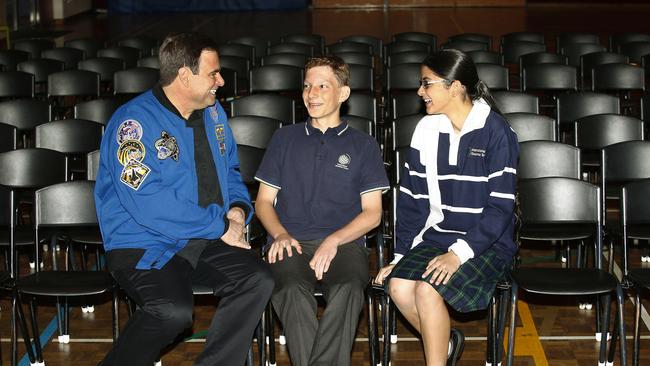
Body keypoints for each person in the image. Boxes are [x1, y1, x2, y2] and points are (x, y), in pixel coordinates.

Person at [94, 32, 274, 366]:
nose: (220, 80)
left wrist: (237, 209)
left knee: (257, 280)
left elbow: (231, 170)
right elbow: (149, 203)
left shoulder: (214, 113)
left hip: (205, 235)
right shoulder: (132, 125)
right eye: (213, 74)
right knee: (172, 312)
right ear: (184, 76)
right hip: (144, 242)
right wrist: (219, 224)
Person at [374, 49, 519, 366]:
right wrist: (400, 257)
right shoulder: (427, 129)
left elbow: (501, 209)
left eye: (426, 84)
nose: (419, 91)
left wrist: (459, 254)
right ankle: (445, 341)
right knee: (398, 286)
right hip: (439, 236)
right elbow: (412, 201)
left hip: (488, 244)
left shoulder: (497, 131)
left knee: (427, 290)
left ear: (455, 86)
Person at [254, 55, 389, 366]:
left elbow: (373, 213)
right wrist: (280, 234)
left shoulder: (364, 145)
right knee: (289, 289)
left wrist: (334, 240)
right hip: (291, 241)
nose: (311, 94)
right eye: (306, 86)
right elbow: (263, 202)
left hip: (343, 244)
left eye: (322, 86)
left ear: (343, 93)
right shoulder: (284, 138)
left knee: (349, 288)